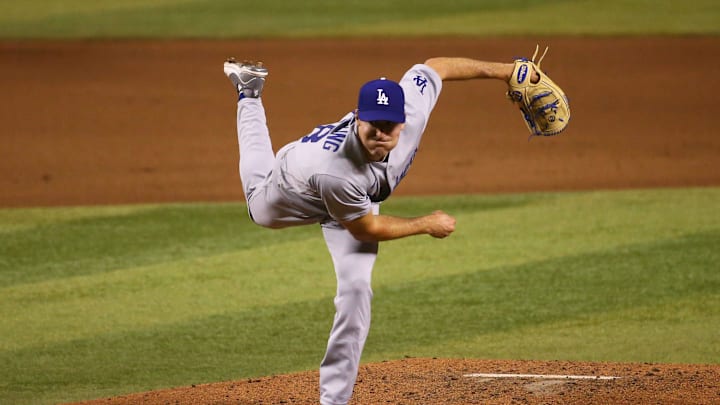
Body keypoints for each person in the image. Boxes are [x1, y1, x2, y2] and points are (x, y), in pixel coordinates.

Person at [223, 55, 534, 405]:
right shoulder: (335, 170)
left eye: (390, 125)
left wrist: (506, 72)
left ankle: (334, 400)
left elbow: (434, 68)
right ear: (358, 119)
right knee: (257, 206)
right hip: (295, 188)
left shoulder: (411, 114)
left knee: (356, 290)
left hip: (354, 198)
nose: (381, 134)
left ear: (404, 122)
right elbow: (366, 228)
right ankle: (249, 93)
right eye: (373, 125)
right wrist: (424, 224)